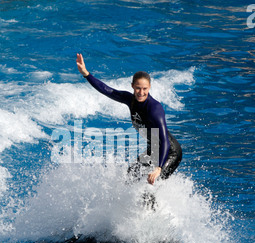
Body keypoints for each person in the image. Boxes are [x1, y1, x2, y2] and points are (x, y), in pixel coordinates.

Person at [76, 53, 182, 186]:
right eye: (138, 88)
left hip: (170, 152)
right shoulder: (129, 99)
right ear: (132, 86)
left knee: (152, 184)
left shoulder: (155, 109)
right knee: (131, 175)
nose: (141, 92)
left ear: (149, 88)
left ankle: (154, 207)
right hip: (153, 149)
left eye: (145, 89)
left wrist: (158, 168)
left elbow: (165, 141)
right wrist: (86, 74)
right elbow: (106, 90)